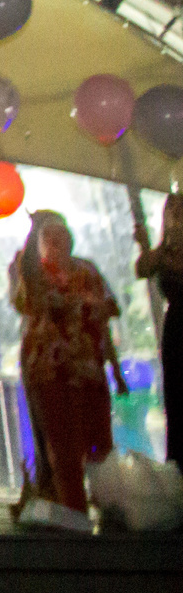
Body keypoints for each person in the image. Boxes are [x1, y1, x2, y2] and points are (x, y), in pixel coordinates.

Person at [15, 209, 120, 517]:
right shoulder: (36, 273)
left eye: (61, 235)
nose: (56, 242)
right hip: (50, 370)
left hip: (88, 368)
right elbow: (29, 280)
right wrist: (33, 231)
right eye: (48, 237)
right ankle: (75, 514)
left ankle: (109, 507)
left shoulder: (87, 271)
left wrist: (115, 367)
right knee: (63, 448)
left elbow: (106, 315)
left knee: (100, 442)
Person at [134, 193, 183, 469]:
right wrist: (145, 246)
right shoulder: (164, 251)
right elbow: (142, 268)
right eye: (172, 210)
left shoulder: (169, 255)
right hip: (177, 326)